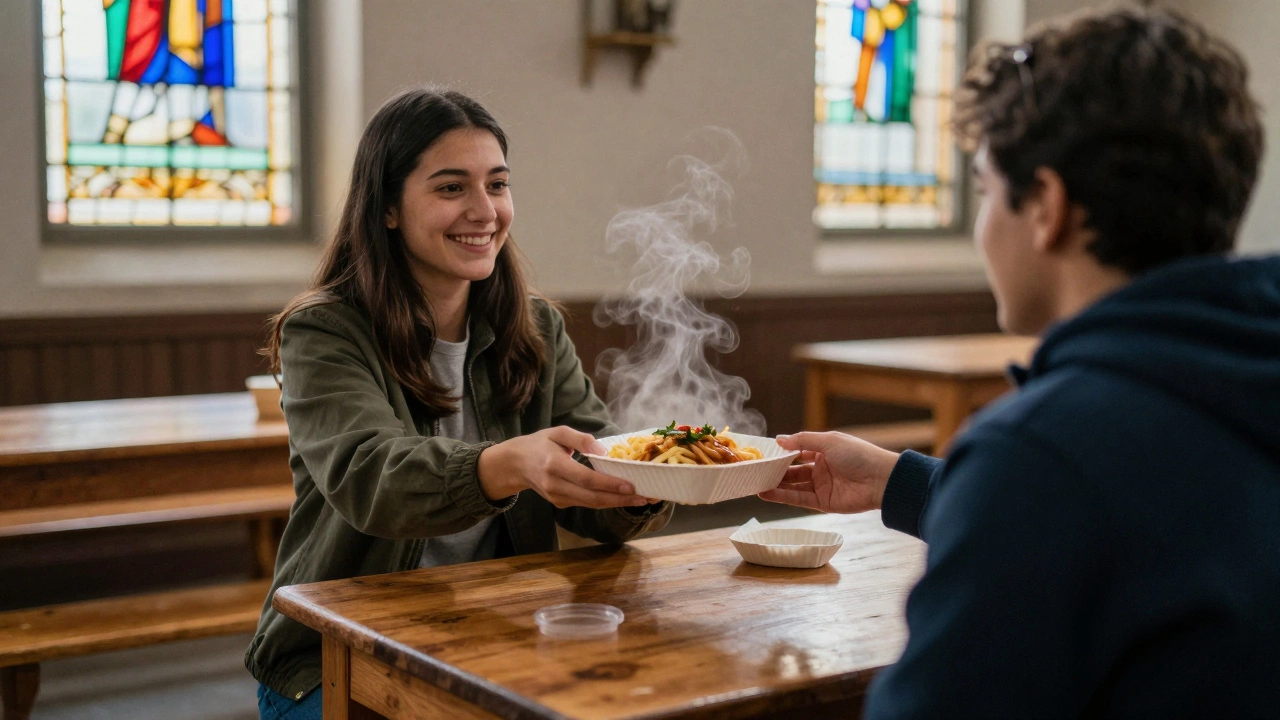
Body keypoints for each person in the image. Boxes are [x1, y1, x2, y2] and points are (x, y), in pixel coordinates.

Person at [762, 6, 1280, 717]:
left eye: (982, 190)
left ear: (1047, 208)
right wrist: (905, 482)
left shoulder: (1040, 454)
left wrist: (999, 479)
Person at [245, 87, 672, 719]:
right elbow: (371, 477)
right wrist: (511, 464)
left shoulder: (537, 329)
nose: (485, 211)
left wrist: (646, 479)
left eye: (497, 185)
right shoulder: (325, 331)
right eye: (451, 188)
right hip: (335, 655)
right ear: (388, 207)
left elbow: (594, 481)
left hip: (493, 637)